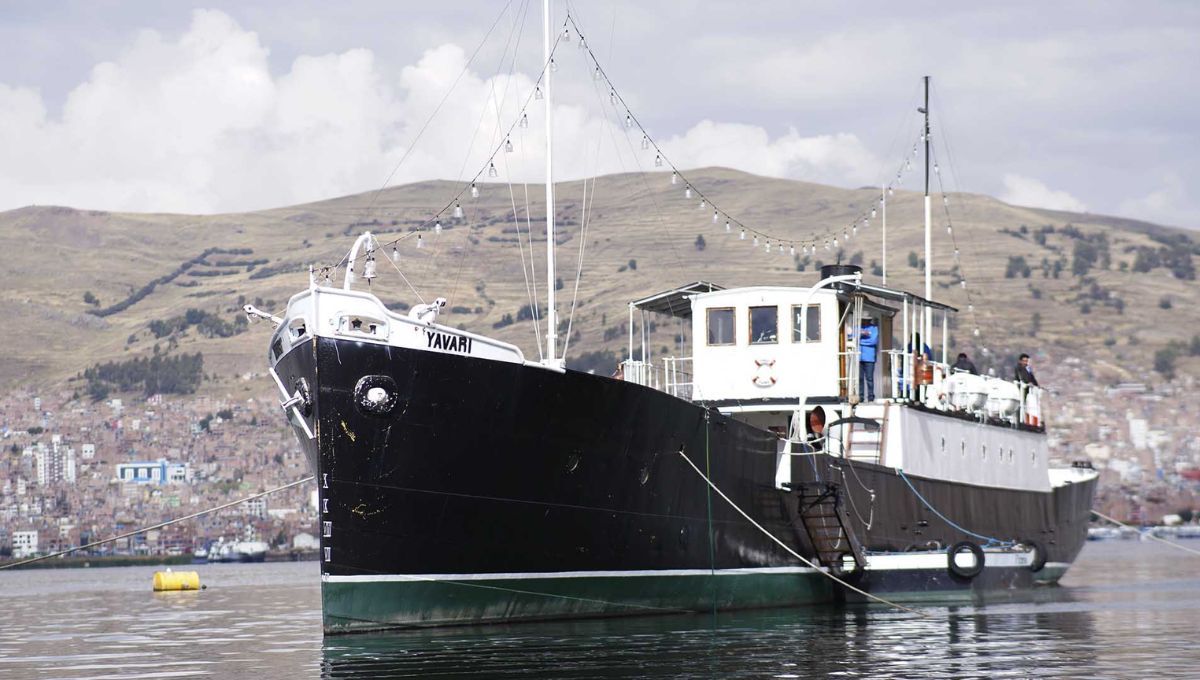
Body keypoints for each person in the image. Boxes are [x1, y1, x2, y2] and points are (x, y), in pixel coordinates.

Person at [858, 319, 879, 401]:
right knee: (860, 378)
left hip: (869, 357)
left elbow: (873, 341)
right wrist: (863, 336)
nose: (864, 321)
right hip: (859, 357)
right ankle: (861, 396)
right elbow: (851, 336)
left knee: (869, 378)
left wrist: (860, 341)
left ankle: (870, 396)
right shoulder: (858, 328)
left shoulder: (874, 328)